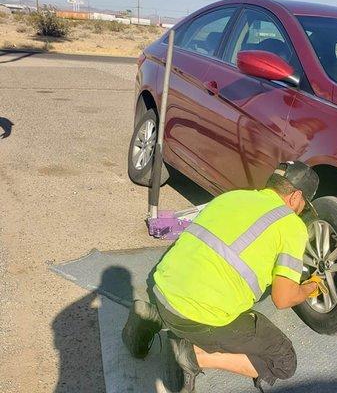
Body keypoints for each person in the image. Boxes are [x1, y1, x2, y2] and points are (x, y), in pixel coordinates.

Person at [122, 161, 324, 392]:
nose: (301, 211)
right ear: (296, 196)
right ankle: (190, 354)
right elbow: (283, 298)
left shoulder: (232, 197)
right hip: (197, 315)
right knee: (284, 361)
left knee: (184, 301)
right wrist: (309, 288)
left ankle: (153, 314)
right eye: (303, 206)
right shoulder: (291, 226)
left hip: (163, 289)